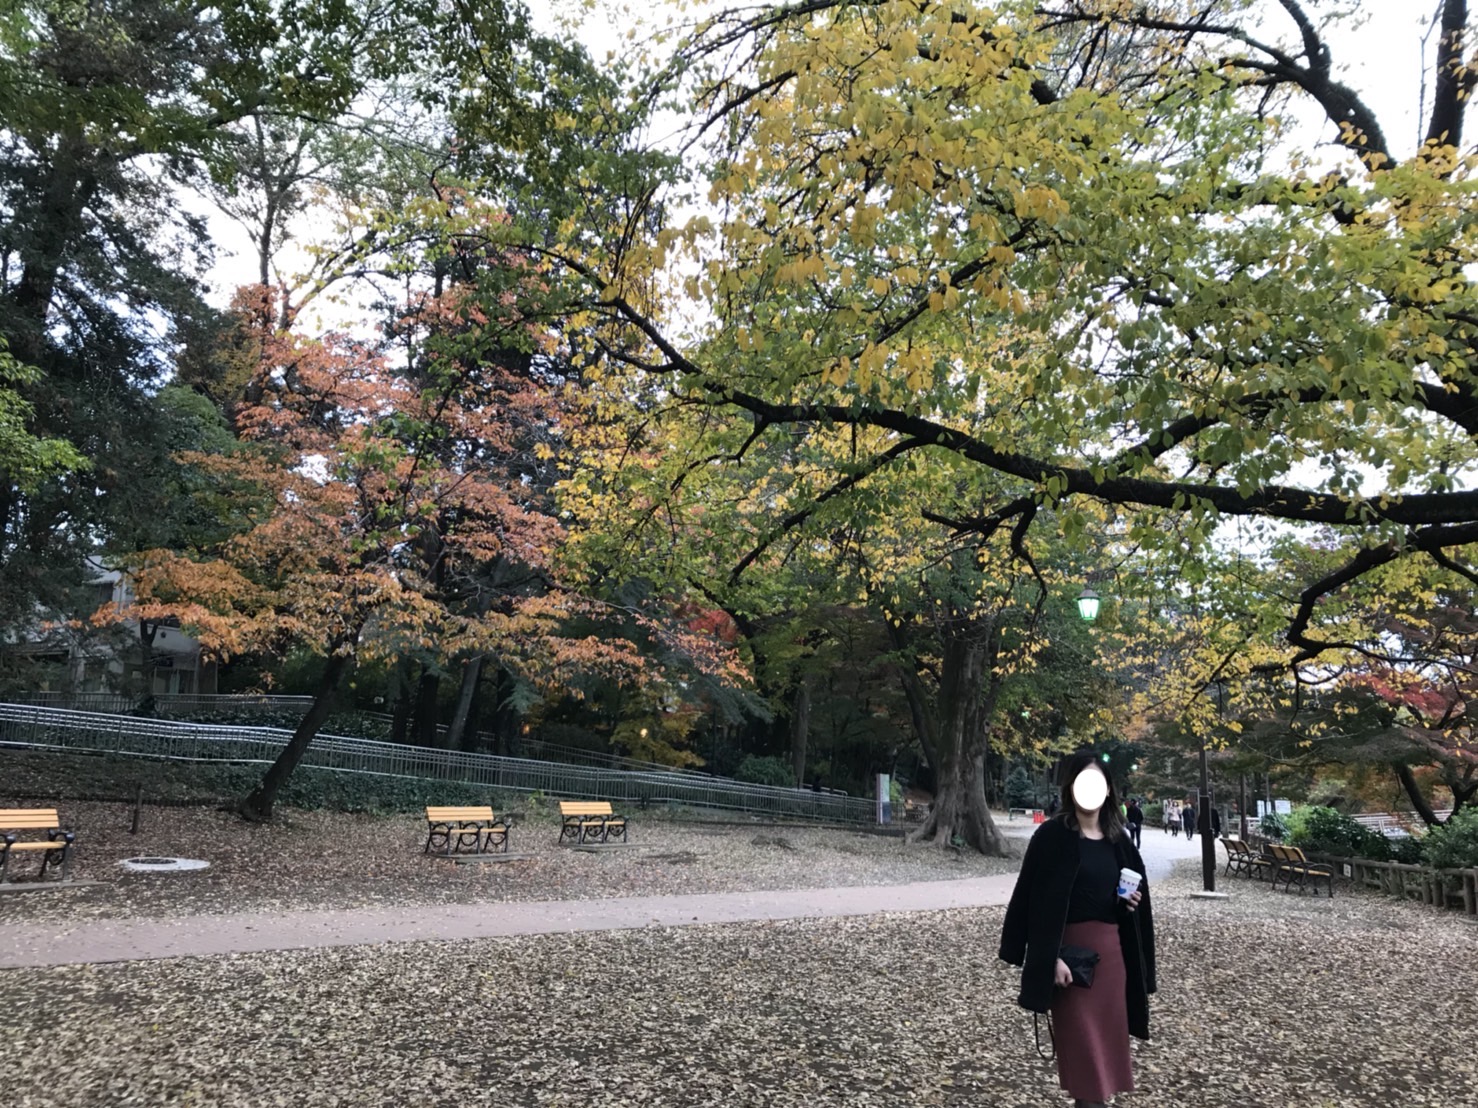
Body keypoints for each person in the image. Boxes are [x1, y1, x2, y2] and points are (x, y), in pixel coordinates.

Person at [999, 751, 1157, 1108]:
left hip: (1112, 963)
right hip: (1070, 965)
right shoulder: (1052, 837)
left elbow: (1134, 910)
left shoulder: (1120, 841)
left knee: (1103, 1074)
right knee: (1086, 1071)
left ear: (1108, 789)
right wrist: (1048, 958)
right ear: (1071, 787)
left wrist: (1127, 903)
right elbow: (1031, 902)